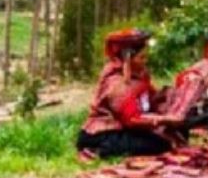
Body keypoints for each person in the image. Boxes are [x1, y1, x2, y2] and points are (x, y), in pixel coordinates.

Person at [76, 28, 181, 159]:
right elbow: (131, 119)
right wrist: (162, 120)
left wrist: (173, 96)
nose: (145, 61)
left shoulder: (140, 76)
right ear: (127, 58)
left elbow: (150, 100)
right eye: (141, 57)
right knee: (158, 144)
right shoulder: (116, 83)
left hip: (124, 129)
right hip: (104, 133)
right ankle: (98, 150)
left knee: (167, 138)